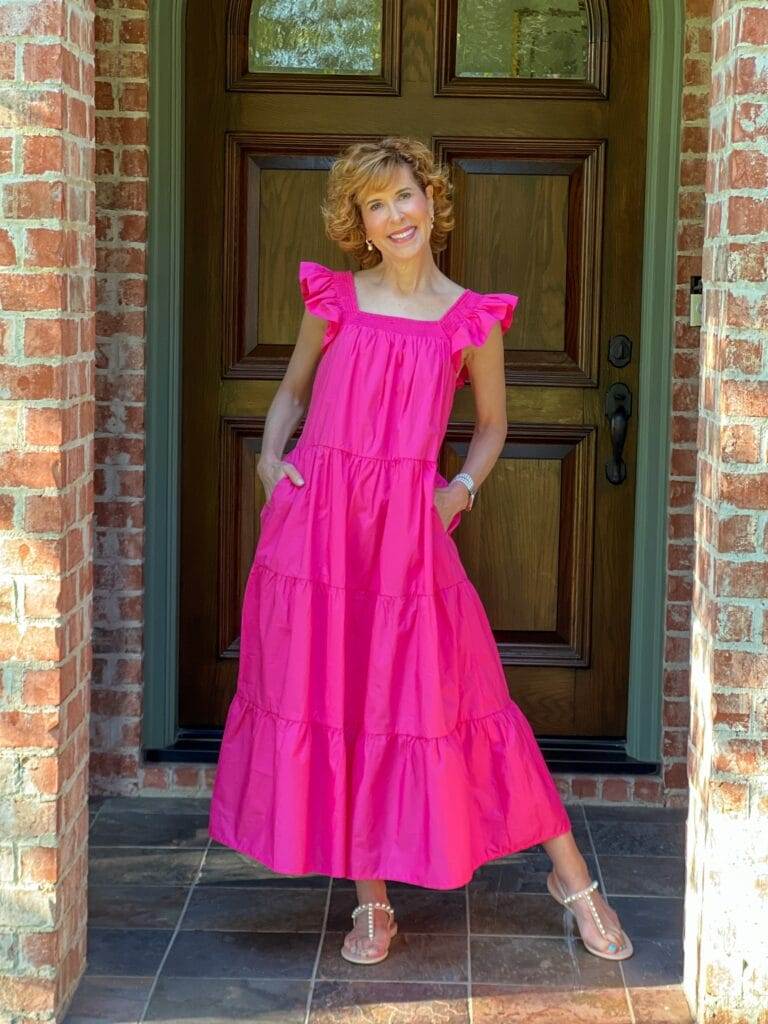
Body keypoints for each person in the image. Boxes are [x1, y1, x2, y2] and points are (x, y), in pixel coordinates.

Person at [208, 135, 632, 966]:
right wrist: (268, 460)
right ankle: (372, 903)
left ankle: (574, 880)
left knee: (465, 696)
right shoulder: (335, 298)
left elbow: (494, 425)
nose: (396, 214)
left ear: (431, 198)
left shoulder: (471, 317)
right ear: (359, 223)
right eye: (376, 204)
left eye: (405, 194)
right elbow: (292, 390)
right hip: (319, 531)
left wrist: (458, 492)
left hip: (409, 530)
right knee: (344, 703)